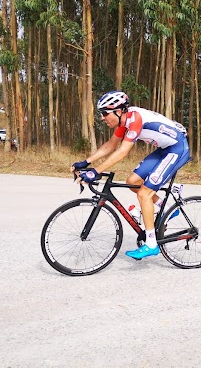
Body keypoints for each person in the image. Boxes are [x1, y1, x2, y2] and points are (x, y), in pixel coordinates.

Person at [71, 90, 190, 260]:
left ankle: (151, 244)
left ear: (118, 111)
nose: (102, 118)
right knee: (133, 182)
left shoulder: (135, 119)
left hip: (177, 148)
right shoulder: (123, 123)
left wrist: (95, 171)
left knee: (144, 193)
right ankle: (167, 205)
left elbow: (122, 151)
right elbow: (110, 146)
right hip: (164, 149)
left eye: (105, 113)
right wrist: (86, 162)